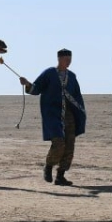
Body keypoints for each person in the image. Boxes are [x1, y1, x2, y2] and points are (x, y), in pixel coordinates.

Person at [19, 48, 87, 186]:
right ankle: (48, 166)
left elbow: (77, 96)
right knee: (59, 143)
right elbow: (36, 89)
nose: (68, 62)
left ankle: (60, 176)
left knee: (69, 146)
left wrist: (80, 112)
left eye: (70, 59)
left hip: (69, 115)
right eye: (66, 59)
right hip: (53, 114)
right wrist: (27, 84)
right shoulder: (49, 73)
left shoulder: (72, 76)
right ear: (59, 59)